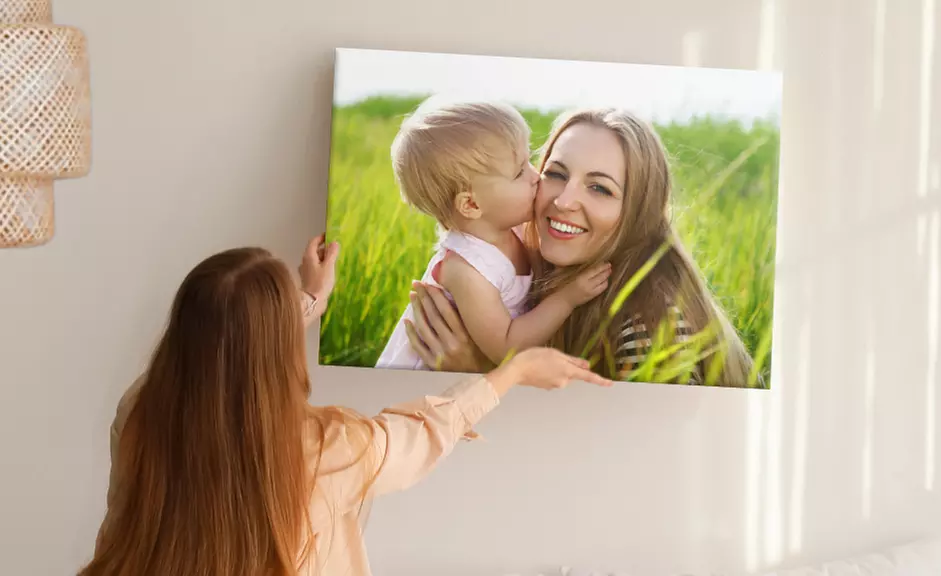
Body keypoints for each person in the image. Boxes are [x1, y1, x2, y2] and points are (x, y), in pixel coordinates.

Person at [77, 234, 611, 576]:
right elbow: (423, 430)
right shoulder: (325, 449)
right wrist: (511, 371)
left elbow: (219, 354)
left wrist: (307, 303)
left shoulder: (141, 410)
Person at [405, 107, 756, 388]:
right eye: (556, 174)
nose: (564, 200)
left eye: (600, 189)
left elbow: (628, 461)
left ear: (638, 212)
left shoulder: (647, 330)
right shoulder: (512, 260)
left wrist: (479, 372)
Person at [376, 97, 611, 370]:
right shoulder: (468, 269)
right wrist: (566, 298)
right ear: (472, 204)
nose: (537, 176)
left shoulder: (510, 226)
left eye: (529, 161)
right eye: (519, 172)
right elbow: (506, 348)